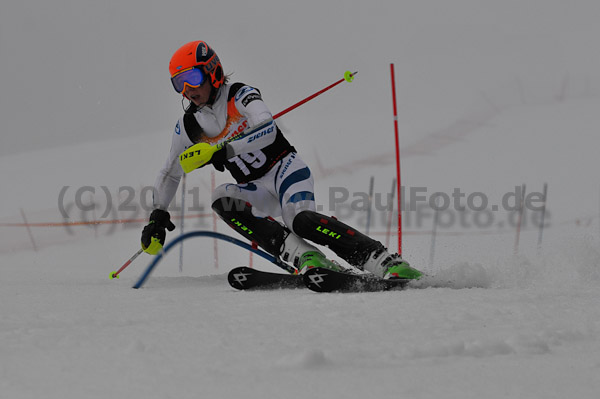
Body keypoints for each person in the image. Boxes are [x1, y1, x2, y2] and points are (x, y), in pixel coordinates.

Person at [141, 40, 422, 280]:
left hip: (285, 170)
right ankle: (307, 258)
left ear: (212, 71)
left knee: (300, 220)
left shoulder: (239, 95)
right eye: (178, 83)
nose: (187, 89)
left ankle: (384, 261)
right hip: (256, 188)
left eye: (192, 78)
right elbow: (170, 172)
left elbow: (267, 129)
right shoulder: (188, 127)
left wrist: (222, 150)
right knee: (221, 197)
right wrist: (157, 214)